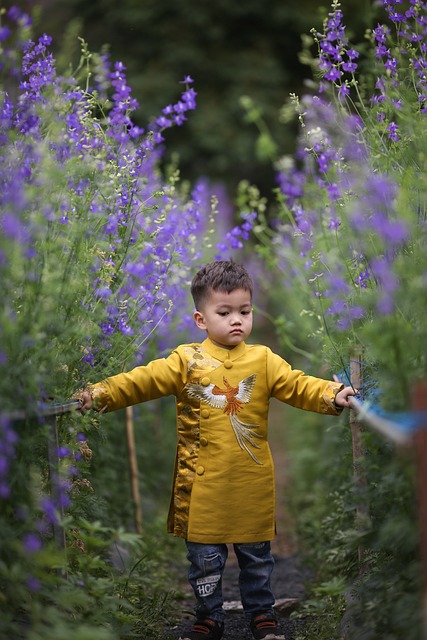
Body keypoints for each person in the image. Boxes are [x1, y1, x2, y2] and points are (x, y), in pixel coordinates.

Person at [77, 260, 356, 640]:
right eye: (224, 312)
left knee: (257, 559)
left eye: (244, 310)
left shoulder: (264, 359)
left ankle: (262, 614)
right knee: (205, 562)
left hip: (251, 480)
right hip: (202, 485)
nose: (236, 320)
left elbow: (297, 384)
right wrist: (99, 393)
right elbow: (142, 380)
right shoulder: (186, 360)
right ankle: (209, 617)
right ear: (201, 318)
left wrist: (331, 394)